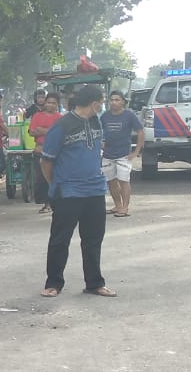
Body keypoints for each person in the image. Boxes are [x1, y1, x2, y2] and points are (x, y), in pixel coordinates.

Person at [40, 83, 114, 298]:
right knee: (60, 240)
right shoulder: (62, 126)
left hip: (95, 191)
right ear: (93, 103)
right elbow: (46, 161)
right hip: (69, 192)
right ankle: (53, 283)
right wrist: (56, 184)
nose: (102, 107)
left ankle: (94, 283)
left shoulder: (96, 122)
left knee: (93, 239)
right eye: (100, 104)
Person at [100, 89, 144, 218]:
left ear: (123, 102)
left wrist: (136, 151)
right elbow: (98, 130)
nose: (114, 102)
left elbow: (140, 132)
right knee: (111, 181)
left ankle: (125, 207)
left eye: (117, 100)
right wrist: (101, 142)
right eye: (112, 100)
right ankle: (117, 205)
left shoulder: (129, 115)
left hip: (124, 155)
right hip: (107, 155)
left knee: (124, 181)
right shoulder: (105, 116)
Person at [28, 92, 62, 213]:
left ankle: (54, 202)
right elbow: (32, 132)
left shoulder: (60, 118)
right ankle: (46, 203)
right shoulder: (37, 116)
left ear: (57, 105)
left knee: (54, 178)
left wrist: (43, 131)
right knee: (42, 179)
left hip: (55, 152)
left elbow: (60, 134)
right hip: (40, 150)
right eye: (48, 102)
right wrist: (49, 132)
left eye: (53, 103)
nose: (50, 105)